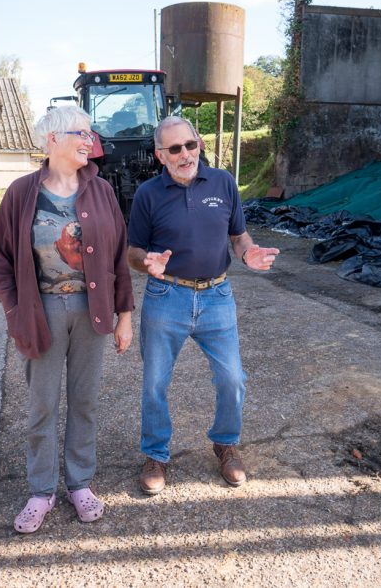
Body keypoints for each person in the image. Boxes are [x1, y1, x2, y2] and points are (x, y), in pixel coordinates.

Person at [0, 105, 133, 533]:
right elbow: (0, 261)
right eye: (80, 133)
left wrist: (125, 316)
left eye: (91, 134)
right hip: (42, 311)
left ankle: (80, 484)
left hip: (93, 312)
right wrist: (15, 312)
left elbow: (118, 258)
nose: (89, 141)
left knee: (85, 402)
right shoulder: (20, 193)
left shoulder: (102, 191)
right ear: (52, 140)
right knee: (42, 406)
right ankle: (40, 491)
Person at [127, 115, 279, 494]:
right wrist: (145, 263)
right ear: (161, 155)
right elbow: (132, 251)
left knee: (232, 378)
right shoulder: (148, 193)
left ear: (199, 144)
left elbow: (239, 235)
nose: (185, 154)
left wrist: (249, 254)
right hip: (167, 297)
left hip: (217, 296)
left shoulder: (224, 182)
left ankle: (225, 443)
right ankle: (156, 455)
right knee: (155, 384)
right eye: (174, 149)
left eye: (191, 145)